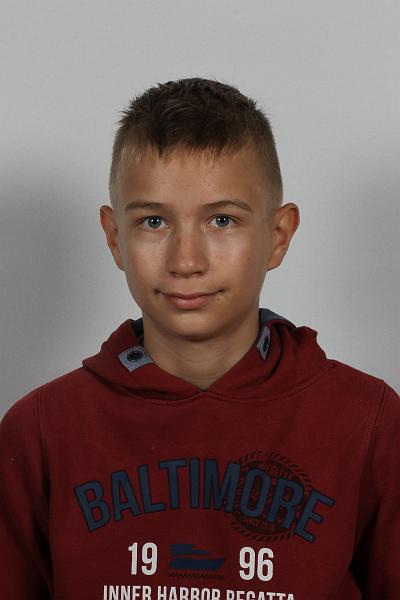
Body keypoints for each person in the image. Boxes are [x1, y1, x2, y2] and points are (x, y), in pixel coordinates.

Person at [0, 77, 399, 600]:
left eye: (221, 220)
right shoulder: (40, 431)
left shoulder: (369, 423)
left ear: (278, 236)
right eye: (153, 221)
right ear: (115, 238)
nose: (186, 261)